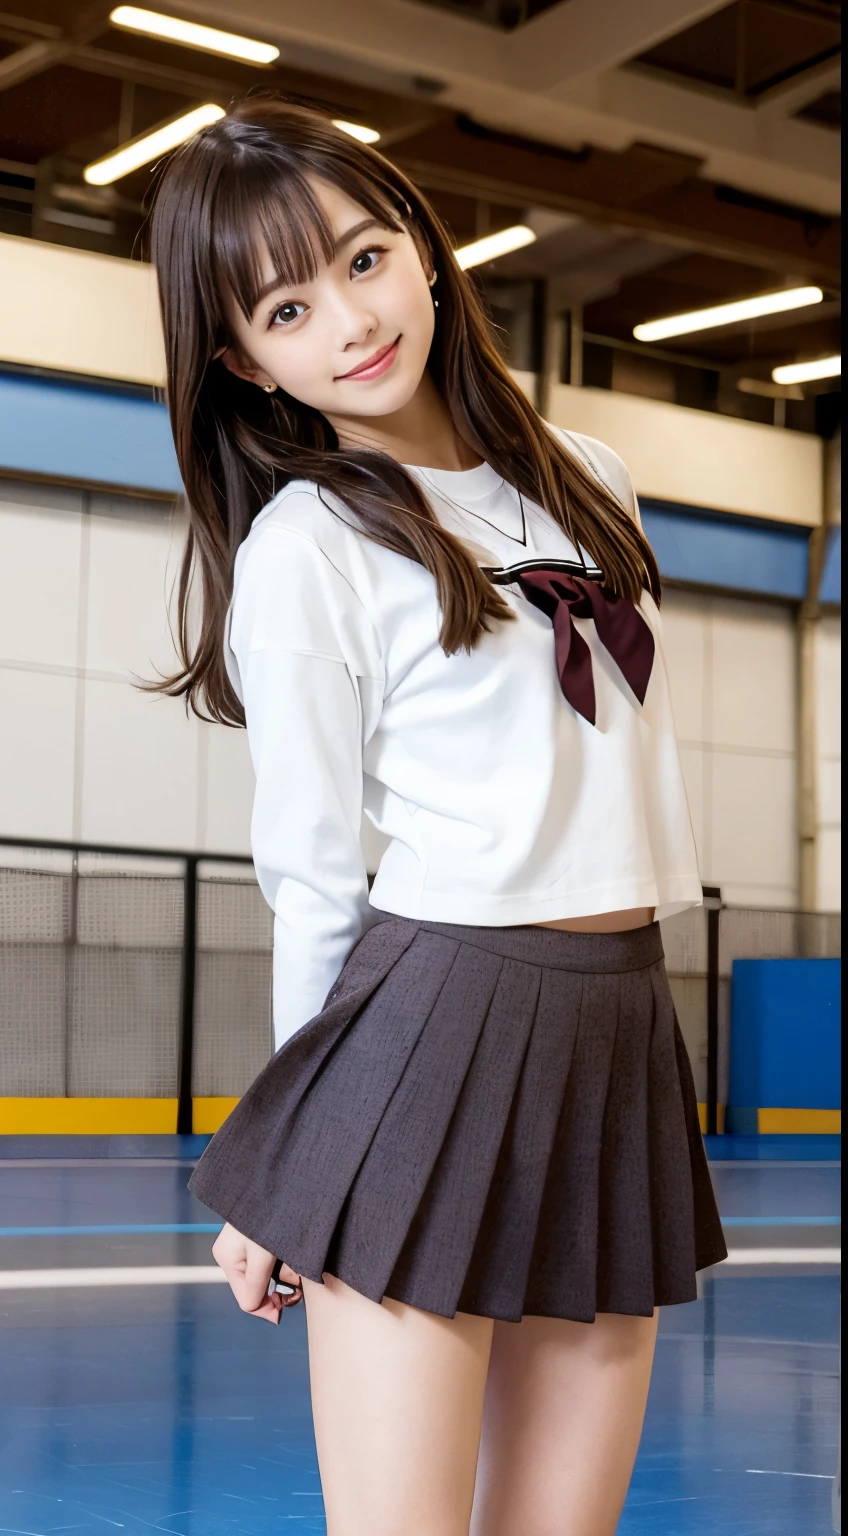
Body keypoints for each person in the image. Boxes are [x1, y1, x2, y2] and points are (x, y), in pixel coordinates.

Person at [148, 96, 727, 1536]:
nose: (346, 320)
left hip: (618, 1024)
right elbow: (313, 874)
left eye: (359, 259)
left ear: (418, 243)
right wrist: (294, 1155)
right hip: (430, 1031)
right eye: (286, 307)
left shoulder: (591, 478)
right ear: (245, 364)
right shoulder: (311, 544)